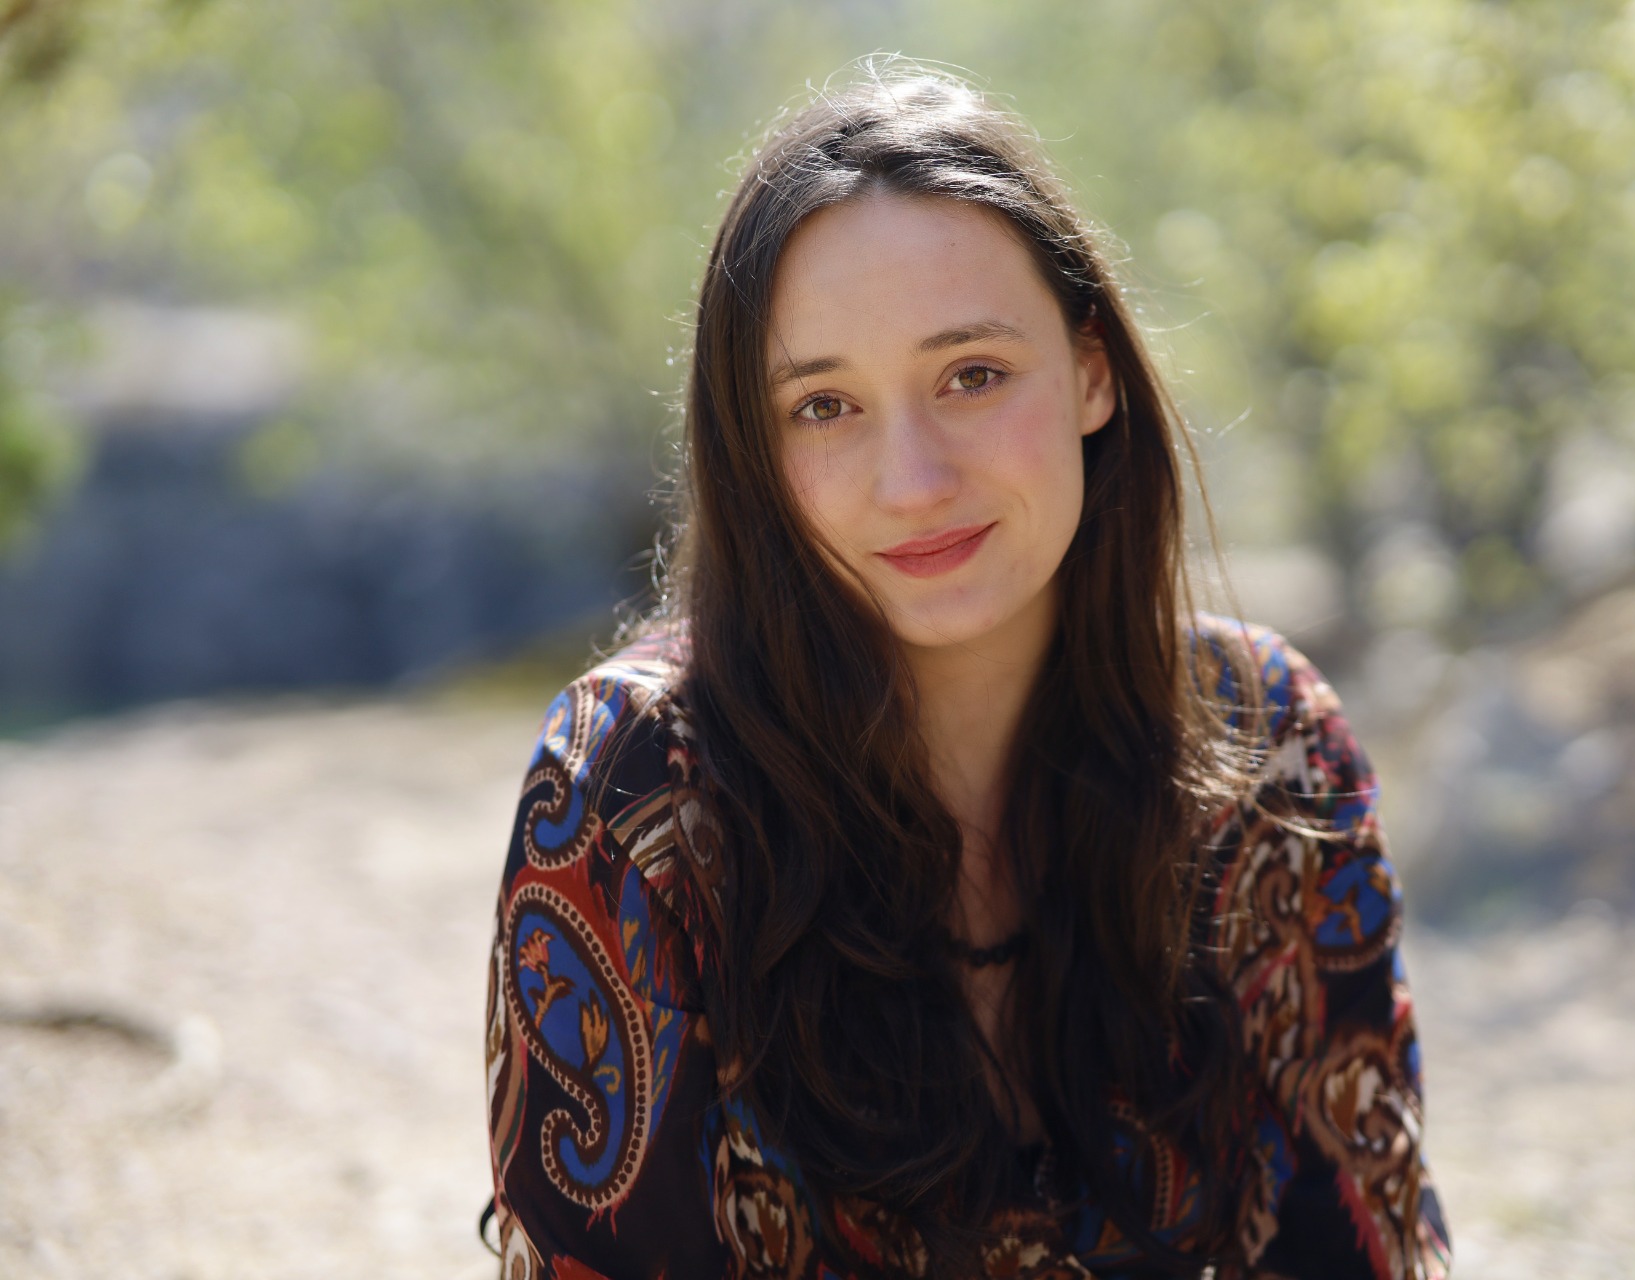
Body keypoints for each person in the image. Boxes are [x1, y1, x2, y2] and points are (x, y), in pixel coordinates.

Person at [484, 60, 1451, 1280]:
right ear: (755, 452)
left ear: (1092, 370)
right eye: (824, 406)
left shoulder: (1270, 742)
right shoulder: (632, 792)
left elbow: (1360, 1244)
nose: (914, 481)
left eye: (973, 376)